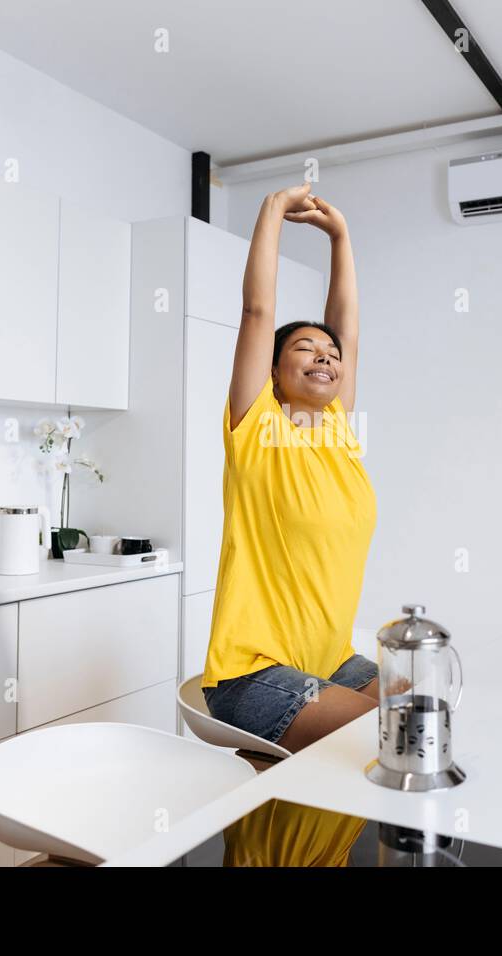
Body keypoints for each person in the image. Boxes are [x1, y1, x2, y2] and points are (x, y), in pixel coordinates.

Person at [200, 182, 378, 756]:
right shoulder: (256, 426)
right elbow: (258, 310)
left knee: (430, 706)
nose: (325, 356)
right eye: (305, 348)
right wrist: (272, 212)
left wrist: (341, 236)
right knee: (391, 735)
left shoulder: (337, 432)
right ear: (273, 372)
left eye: (330, 354)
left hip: (329, 662)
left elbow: (345, 328)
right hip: (251, 672)